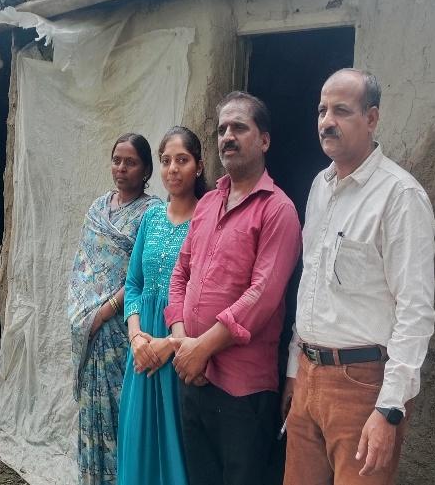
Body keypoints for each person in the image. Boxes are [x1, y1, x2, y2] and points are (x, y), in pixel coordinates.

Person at [281, 69, 435, 485]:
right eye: (321, 110)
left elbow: (415, 309)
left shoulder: (399, 196)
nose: (326, 121)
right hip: (310, 377)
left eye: (341, 111)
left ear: (371, 119)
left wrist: (390, 409)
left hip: (362, 386)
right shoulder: (320, 186)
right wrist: (296, 370)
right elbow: (310, 283)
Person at [165, 92, 302, 485]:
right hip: (192, 376)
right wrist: (183, 343)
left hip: (242, 390)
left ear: (264, 140)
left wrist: (201, 348)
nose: (227, 135)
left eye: (239, 127)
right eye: (222, 128)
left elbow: (262, 297)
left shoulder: (278, 209)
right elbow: (180, 275)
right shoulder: (207, 203)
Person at [69, 133, 162, 485]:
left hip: (126, 329)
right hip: (90, 330)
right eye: (116, 160)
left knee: (124, 414)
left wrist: (104, 312)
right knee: (92, 413)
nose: (121, 168)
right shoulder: (97, 210)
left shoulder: (152, 214)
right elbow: (83, 269)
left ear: (146, 169)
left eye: (131, 162)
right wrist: (84, 316)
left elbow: (145, 274)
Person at [117, 126, 207, 485]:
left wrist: (169, 345)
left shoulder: (207, 218)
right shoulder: (151, 218)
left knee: (177, 446)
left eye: (182, 160)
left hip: (181, 346)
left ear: (198, 167)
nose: (173, 169)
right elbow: (134, 283)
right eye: (166, 161)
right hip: (141, 351)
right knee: (139, 437)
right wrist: (137, 337)